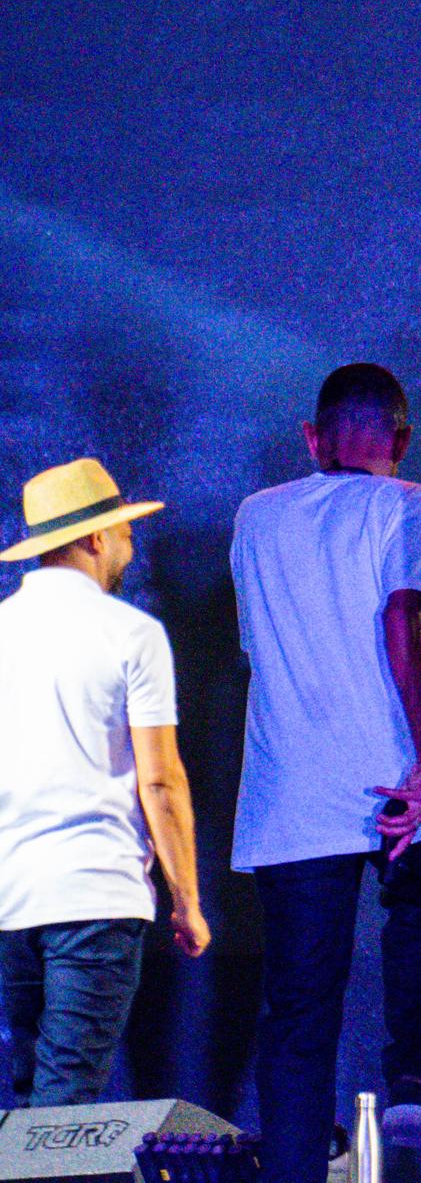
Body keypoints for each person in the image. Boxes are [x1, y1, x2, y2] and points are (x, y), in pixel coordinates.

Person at [230, 363, 421, 1180]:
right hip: (390, 772)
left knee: (298, 1013)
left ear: (312, 438)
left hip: (291, 791)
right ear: (402, 438)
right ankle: (411, 1077)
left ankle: (293, 1170)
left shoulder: (256, 516)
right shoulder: (413, 502)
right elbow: (403, 614)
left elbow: (267, 642)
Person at [0, 458, 209, 1107]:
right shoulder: (131, 634)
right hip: (93, 894)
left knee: (32, 1103)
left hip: (9, 897)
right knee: (62, 1110)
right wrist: (186, 901)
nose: (130, 546)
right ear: (94, 538)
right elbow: (161, 781)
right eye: (123, 531)